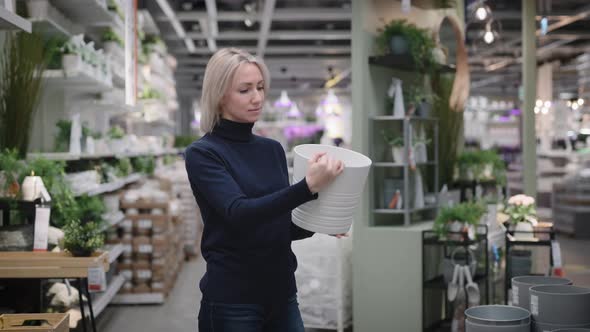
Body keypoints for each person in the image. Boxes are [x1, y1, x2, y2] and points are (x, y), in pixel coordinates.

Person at [184, 47, 344, 332]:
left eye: (260, 87)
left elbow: (280, 224)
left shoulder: (272, 150)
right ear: (220, 95)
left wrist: (322, 221)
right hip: (233, 300)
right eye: (245, 90)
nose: (257, 97)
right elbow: (239, 214)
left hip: (282, 295)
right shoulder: (203, 153)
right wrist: (307, 187)